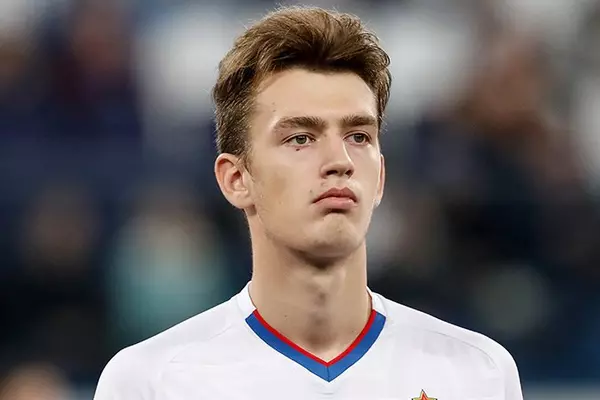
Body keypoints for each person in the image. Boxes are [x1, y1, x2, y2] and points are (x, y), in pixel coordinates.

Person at [93, 6, 523, 399]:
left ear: (380, 178)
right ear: (236, 180)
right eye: (300, 138)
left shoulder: (478, 374)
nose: (340, 161)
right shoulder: (151, 381)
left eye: (359, 136)